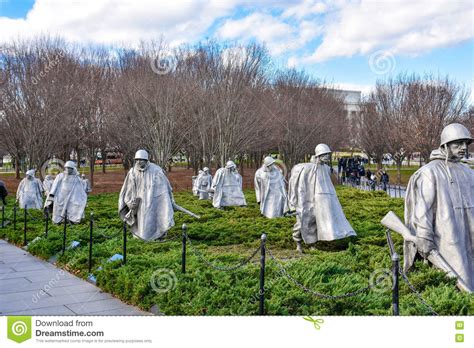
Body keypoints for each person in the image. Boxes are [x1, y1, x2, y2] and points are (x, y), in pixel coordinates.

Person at [404, 123, 473, 292]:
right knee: (455, 281)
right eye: (458, 143)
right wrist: (424, 237)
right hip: (446, 238)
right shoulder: (429, 172)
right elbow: (423, 210)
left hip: (470, 234)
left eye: (466, 143)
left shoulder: (469, 171)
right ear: (445, 145)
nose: (463, 147)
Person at [288, 144, 356, 253]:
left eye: (328, 155)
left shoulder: (325, 168)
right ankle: (298, 243)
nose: (327, 157)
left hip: (321, 202)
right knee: (302, 222)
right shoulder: (307, 168)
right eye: (325, 155)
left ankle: (311, 244)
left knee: (315, 224)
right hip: (307, 201)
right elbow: (298, 186)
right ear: (319, 155)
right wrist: (295, 203)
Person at [119, 150, 176, 241]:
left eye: (141, 160)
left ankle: (157, 236)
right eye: (137, 160)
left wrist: (167, 200)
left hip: (153, 203)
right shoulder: (132, 172)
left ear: (146, 160)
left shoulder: (156, 171)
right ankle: (143, 239)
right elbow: (128, 191)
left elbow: (164, 189)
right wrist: (129, 202)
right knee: (142, 229)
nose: (138, 162)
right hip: (140, 205)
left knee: (154, 223)